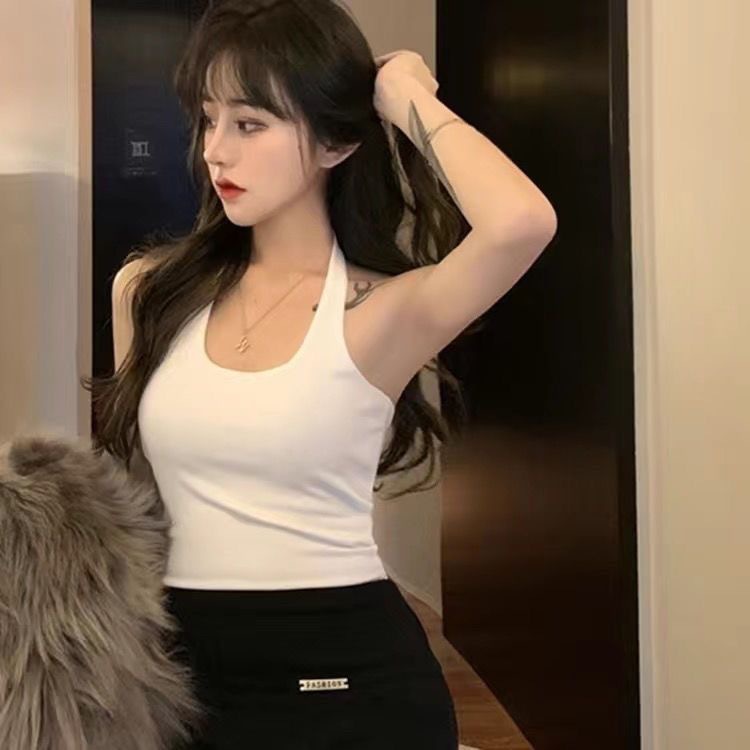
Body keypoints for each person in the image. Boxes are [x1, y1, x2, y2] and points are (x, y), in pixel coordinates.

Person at [86, 1, 556, 747]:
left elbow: (521, 222)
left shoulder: (384, 311)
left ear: (337, 142)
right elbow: (138, 497)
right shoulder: (147, 291)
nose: (216, 153)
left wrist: (404, 94)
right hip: (181, 669)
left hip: (347, 675)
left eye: (250, 124)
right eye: (208, 120)